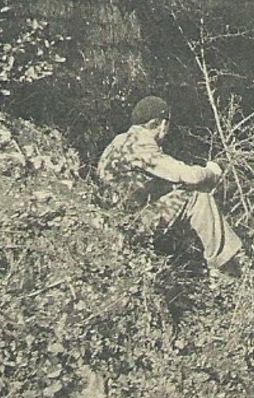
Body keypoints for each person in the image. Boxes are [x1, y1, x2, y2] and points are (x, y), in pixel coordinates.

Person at [97, 95, 242, 276]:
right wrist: (211, 172)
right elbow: (189, 176)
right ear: (162, 124)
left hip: (113, 219)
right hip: (129, 224)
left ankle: (199, 264)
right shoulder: (142, 145)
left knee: (178, 195)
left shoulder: (120, 141)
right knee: (196, 196)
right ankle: (224, 267)